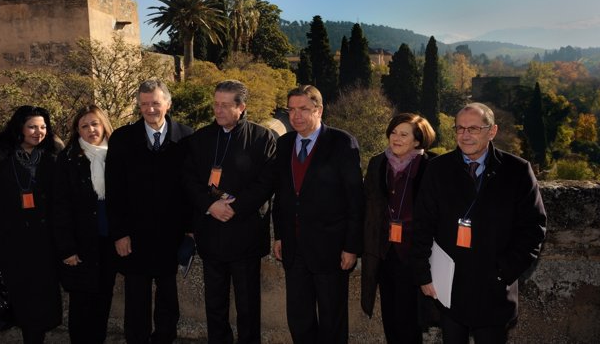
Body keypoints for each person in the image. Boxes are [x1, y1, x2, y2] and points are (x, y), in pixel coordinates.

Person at [411, 102, 547, 343]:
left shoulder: (517, 171)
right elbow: (422, 223)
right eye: (460, 128)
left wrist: (504, 271)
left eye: (473, 129)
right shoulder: (437, 169)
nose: (465, 135)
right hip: (450, 287)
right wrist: (424, 275)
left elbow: (533, 228)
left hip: (493, 290)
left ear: (491, 131)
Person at [184, 80, 276, 344]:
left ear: (242, 107)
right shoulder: (200, 138)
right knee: (214, 304)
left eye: (225, 105)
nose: (218, 110)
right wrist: (211, 205)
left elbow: (267, 182)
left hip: (245, 234)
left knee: (248, 306)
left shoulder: (263, 138)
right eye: (216, 104)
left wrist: (234, 207)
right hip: (211, 233)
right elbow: (189, 179)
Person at [272, 85, 364, 344]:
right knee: (298, 319)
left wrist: (351, 246)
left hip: (332, 249)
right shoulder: (284, 143)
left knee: (332, 319)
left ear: (319, 110)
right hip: (294, 247)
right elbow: (282, 195)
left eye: (303, 109)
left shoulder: (342, 142)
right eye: (291, 109)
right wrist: (279, 235)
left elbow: (355, 199)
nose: (296, 116)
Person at [105, 80, 193, 344]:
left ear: (168, 103)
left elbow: (192, 189)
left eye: (155, 103)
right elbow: (114, 190)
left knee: (168, 297)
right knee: (136, 299)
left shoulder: (187, 137)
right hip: (134, 236)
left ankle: (165, 339)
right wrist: (119, 233)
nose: (150, 109)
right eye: (144, 104)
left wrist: (190, 231)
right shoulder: (122, 138)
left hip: (171, 235)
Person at [0, 105, 63, 343]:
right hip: (11, 242)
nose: (38, 132)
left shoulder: (54, 157)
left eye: (43, 127)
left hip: (45, 241)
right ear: (20, 128)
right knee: (20, 297)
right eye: (32, 127)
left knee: (41, 298)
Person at [361, 113, 437, 343]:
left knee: (411, 322)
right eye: (393, 132)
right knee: (391, 319)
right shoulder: (378, 164)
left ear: (417, 140)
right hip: (384, 254)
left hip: (417, 256)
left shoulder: (431, 167)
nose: (396, 138)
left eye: (404, 134)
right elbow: (367, 204)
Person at [53, 105, 116, 343]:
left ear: (104, 125)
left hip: (109, 241)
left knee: (103, 301)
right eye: (85, 126)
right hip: (81, 242)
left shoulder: (116, 155)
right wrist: (67, 248)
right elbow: (60, 207)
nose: (91, 130)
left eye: (95, 124)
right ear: (77, 130)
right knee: (81, 303)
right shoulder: (68, 159)